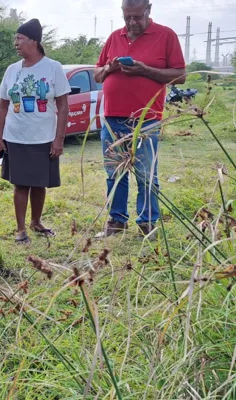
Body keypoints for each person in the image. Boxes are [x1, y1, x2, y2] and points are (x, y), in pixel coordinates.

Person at [94, 0, 186, 238]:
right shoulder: (115, 37)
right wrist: (109, 68)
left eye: (137, 17)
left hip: (147, 120)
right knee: (114, 172)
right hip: (112, 119)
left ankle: (148, 223)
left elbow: (180, 75)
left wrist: (145, 70)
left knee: (146, 174)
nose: (132, 23)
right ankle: (116, 221)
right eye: (127, 18)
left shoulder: (166, 36)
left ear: (149, 10)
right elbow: (97, 74)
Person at [0, 19, 70, 244]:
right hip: (15, 136)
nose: (16, 43)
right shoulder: (12, 70)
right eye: (16, 38)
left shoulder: (53, 67)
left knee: (39, 183)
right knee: (21, 184)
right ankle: (20, 229)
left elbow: (63, 106)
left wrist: (59, 140)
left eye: (20, 38)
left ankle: (36, 222)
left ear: (34, 41)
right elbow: (3, 105)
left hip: (44, 137)